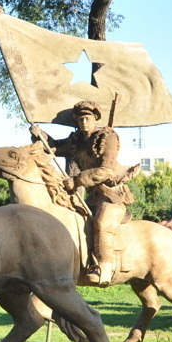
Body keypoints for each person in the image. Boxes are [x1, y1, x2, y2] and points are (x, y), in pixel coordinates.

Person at [31, 100, 136, 287]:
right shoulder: (77, 140)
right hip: (92, 196)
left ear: (95, 118)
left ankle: (105, 266)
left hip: (112, 195)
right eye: (80, 119)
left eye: (87, 118)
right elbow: (54, 147)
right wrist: (40, 136)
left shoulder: (108, 138)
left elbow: (106, 170)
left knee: (102, 223)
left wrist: (77, 180)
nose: (84, 123)